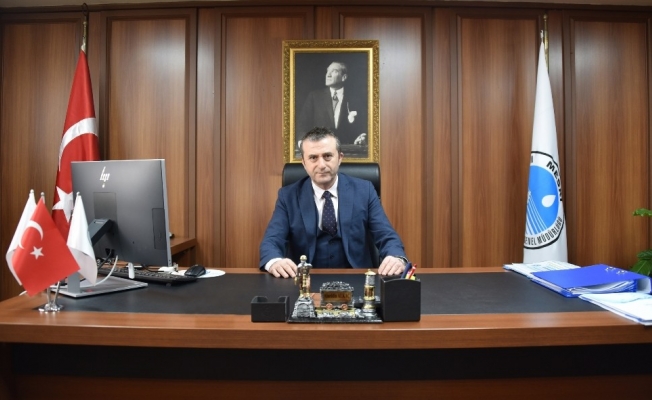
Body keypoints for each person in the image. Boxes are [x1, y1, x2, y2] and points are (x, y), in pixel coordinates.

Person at [259, 127, 409, 278]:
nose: (321, 165)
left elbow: (386, 235)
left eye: (327, 156)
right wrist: (275, 261)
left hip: (357, 278)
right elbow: (272, 240)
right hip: (305, 280)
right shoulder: (288, 196)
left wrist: (396, 257)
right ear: (304, 163)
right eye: (313, 158)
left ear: (340, 158)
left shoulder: (365, 191)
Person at [296, 62, 367, 145]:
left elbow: (363, 126)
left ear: (343, 77)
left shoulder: (355, 99)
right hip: (320, 148)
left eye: (334, 71)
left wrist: (361, 138)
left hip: (348, 149)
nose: (328, 75)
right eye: (327, 71)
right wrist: (303, 142)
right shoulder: (314, 97)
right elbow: (302, 124)